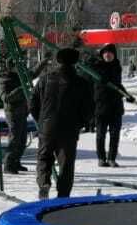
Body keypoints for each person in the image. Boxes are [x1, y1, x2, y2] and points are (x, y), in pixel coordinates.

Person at [29, 48, 93, 200]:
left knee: (44, 158)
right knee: (66, 163)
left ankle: (44, 184)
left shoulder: (45, 79)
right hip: (69, 129)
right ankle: (63, 194)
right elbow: (89, 107)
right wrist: (81, 123)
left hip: (47, 126)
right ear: (75, 62)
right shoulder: (81, 82)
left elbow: (32, 103)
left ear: (58, 61)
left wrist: (41, 120)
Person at [93, 43, 125, 168]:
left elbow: (118, 85)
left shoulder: (117, 67)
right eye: (105, 52)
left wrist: (128, 95)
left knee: (115, 134)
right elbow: (96, 80)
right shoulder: (97, 66)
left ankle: (112, 158)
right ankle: (101, 158)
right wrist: (103, 78)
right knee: (100, 134)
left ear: (114, 54)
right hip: (101, 106)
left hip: (116, 106)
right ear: (102, 54)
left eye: (110, 52)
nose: (107, 55)